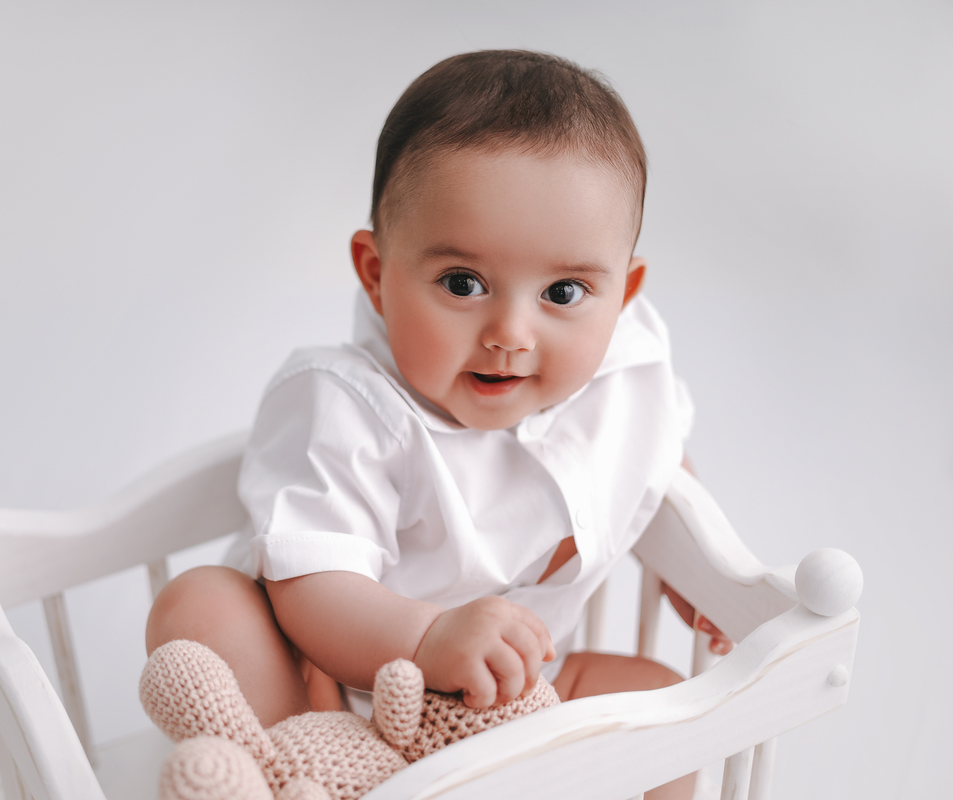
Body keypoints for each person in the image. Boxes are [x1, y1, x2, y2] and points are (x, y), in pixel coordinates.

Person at [146, 50, 731, 799]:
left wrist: (694, 572)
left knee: (663, 708)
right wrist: (424, 639)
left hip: (517, 692)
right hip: (337, 697)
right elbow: (313, 586)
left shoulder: (627, 368)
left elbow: (654, 450)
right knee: (201, 604)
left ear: (623, 295)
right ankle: (291, 774)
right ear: (377, 274)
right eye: (463, 283)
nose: (511, 332)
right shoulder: (346, 405)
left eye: (563, 292)